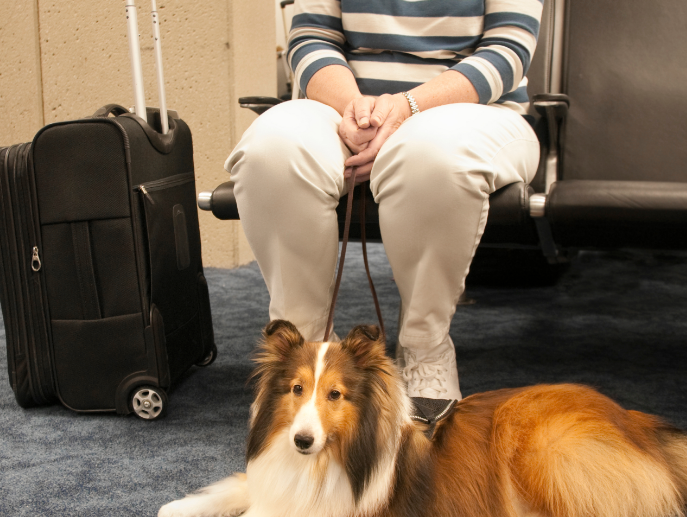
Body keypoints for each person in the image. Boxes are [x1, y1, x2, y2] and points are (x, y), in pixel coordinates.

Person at [225, 0, 544, 401]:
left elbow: (507, 51)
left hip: (473, 109)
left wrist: (407, 108)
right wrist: (357, 111)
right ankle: (303, 351)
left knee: (432, 157)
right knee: (270, 153)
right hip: (345, 106)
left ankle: (424, 346)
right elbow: (312, 37)